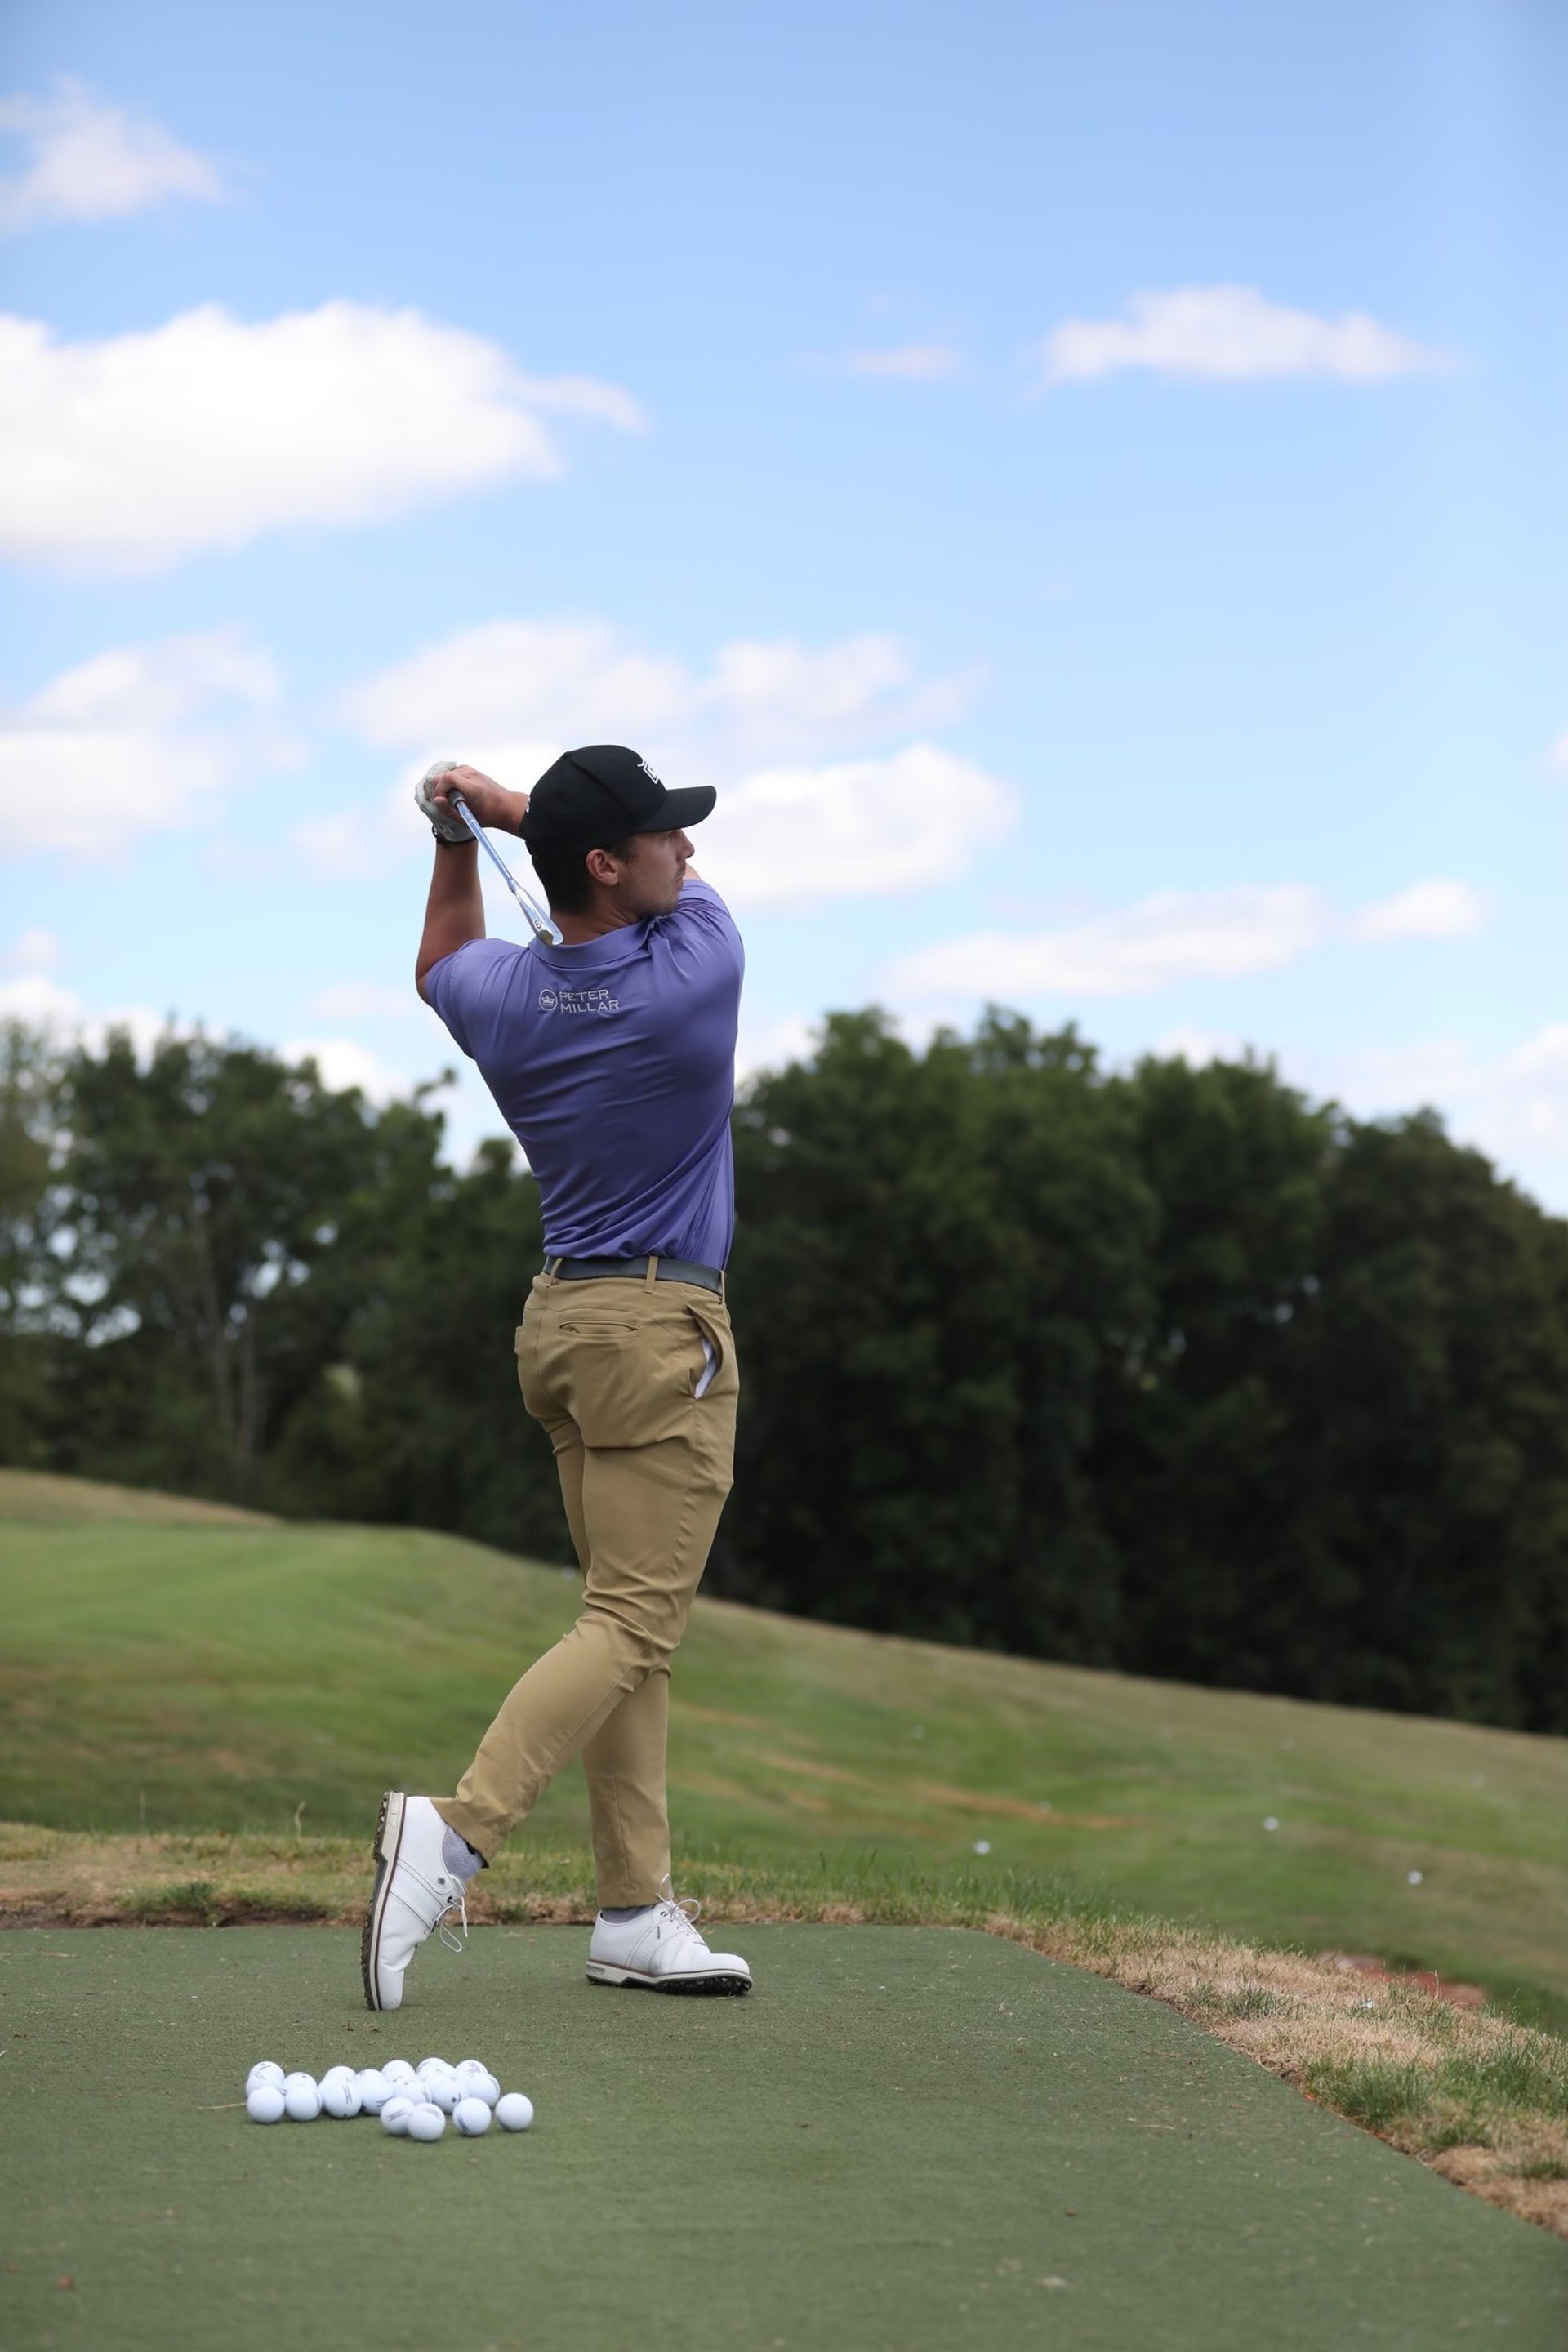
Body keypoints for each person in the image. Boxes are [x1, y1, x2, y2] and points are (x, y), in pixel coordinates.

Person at [362, 744, 751, 2011]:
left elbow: (436, 966)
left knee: (630, 1625)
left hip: (565, 1325)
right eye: (661, 835)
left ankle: (636, 1910)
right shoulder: (697, 972)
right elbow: (656, 884)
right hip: (657, 1329)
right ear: (604, 862)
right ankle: (457, 1832)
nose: (685, 851)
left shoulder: (501, 1001)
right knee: (633, 1621)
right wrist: (496, 806)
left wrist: (454, 842)